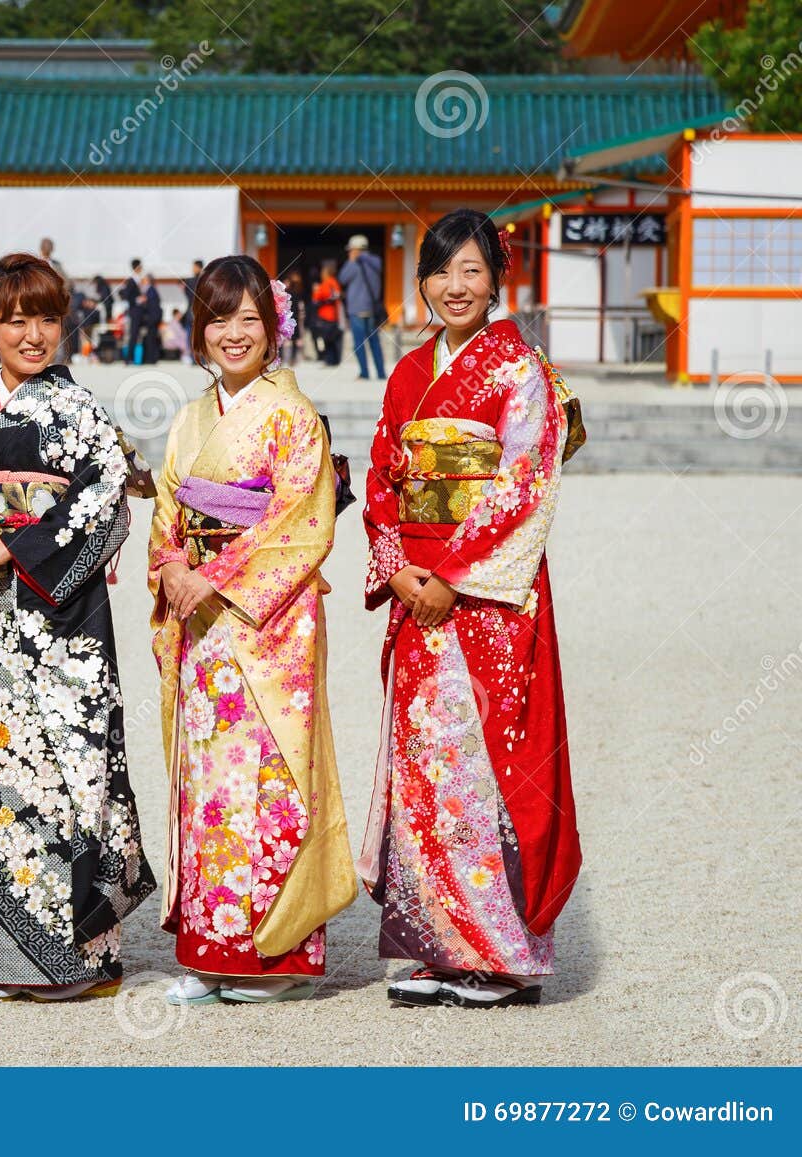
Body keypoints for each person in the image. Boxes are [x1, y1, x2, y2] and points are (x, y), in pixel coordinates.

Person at [0, 252, 157, 1002]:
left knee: (65, 779)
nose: (31, 334)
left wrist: (10, 546)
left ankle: (74, 958)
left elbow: (105, 509)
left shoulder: (81, 412)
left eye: (46, 318)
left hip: (57, 626)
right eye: (14, 318)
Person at [358, 208, 581, 1009]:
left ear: (497, 281)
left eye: (473, 271)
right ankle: (440, 946)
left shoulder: (520, 371)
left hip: (485, 599)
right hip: (419, 592)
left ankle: (501, 951)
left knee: (487, 762)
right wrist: (405, 568)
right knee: (427, 766)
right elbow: (385, 479)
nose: (457, 286)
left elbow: (524, 482)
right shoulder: (408, 374)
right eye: (442, 271)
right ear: (420, 283)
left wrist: (453, 573)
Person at [149, 255, 357, 1006]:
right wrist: (173, 566)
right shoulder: (189, 418)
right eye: (217, 317)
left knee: (266, 780)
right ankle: (212, 952)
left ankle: (271, 955)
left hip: (268, 627)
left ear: (274, 328)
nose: (233, 333)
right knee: (210, 784)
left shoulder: (293, 415)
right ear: (197, 329)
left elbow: (302, 518)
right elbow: (168, 509)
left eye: (249, 319)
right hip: (201, 624)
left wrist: (216, 574)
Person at [339, 234, 387, 380]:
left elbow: (342, 278)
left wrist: (351, 261)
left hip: (357, 308)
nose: (349, 253)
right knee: (374, 342)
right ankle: (381, 373)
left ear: (355, 249)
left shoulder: (354, 264)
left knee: (359, 343)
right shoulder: (376, 262)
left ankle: (365, 373)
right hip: (371, 308)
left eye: (350, 250)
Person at [311, 258, 343, 367]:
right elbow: (337, 295)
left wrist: (316, 292)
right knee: (332, 339)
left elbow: (316, 299)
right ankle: (334, 360)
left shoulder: (326, 283)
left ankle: (329, 360)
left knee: (327, 339)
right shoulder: (334, 282)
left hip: (326, 315)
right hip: (333, 315)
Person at [120, 260, 143, 363]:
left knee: (135, 335)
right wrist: (138, 299)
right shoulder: (131, 281)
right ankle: (128, 358)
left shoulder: (137, 280)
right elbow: (127, 296)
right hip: (134, 311)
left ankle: (131, 358)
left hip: (137, 311)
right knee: (133, 335)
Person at [140, 273, 164, 365]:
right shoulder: (152, 289)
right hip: (153, 317)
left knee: (151, 338)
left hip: (152, 318)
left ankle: (151, 358)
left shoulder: (150, 290)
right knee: (151, 338)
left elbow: (150, 304)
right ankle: (151, 357)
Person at [180, 258, 202, 352]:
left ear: (198, 267)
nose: (193, 269)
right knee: (200, 334)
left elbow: (187, 295)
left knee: (191, 334)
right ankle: (201, 357)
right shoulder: (206, 280)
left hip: (192, 310)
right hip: (201, 311)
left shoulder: (190, 281)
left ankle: (193, 356)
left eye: (194, 267)